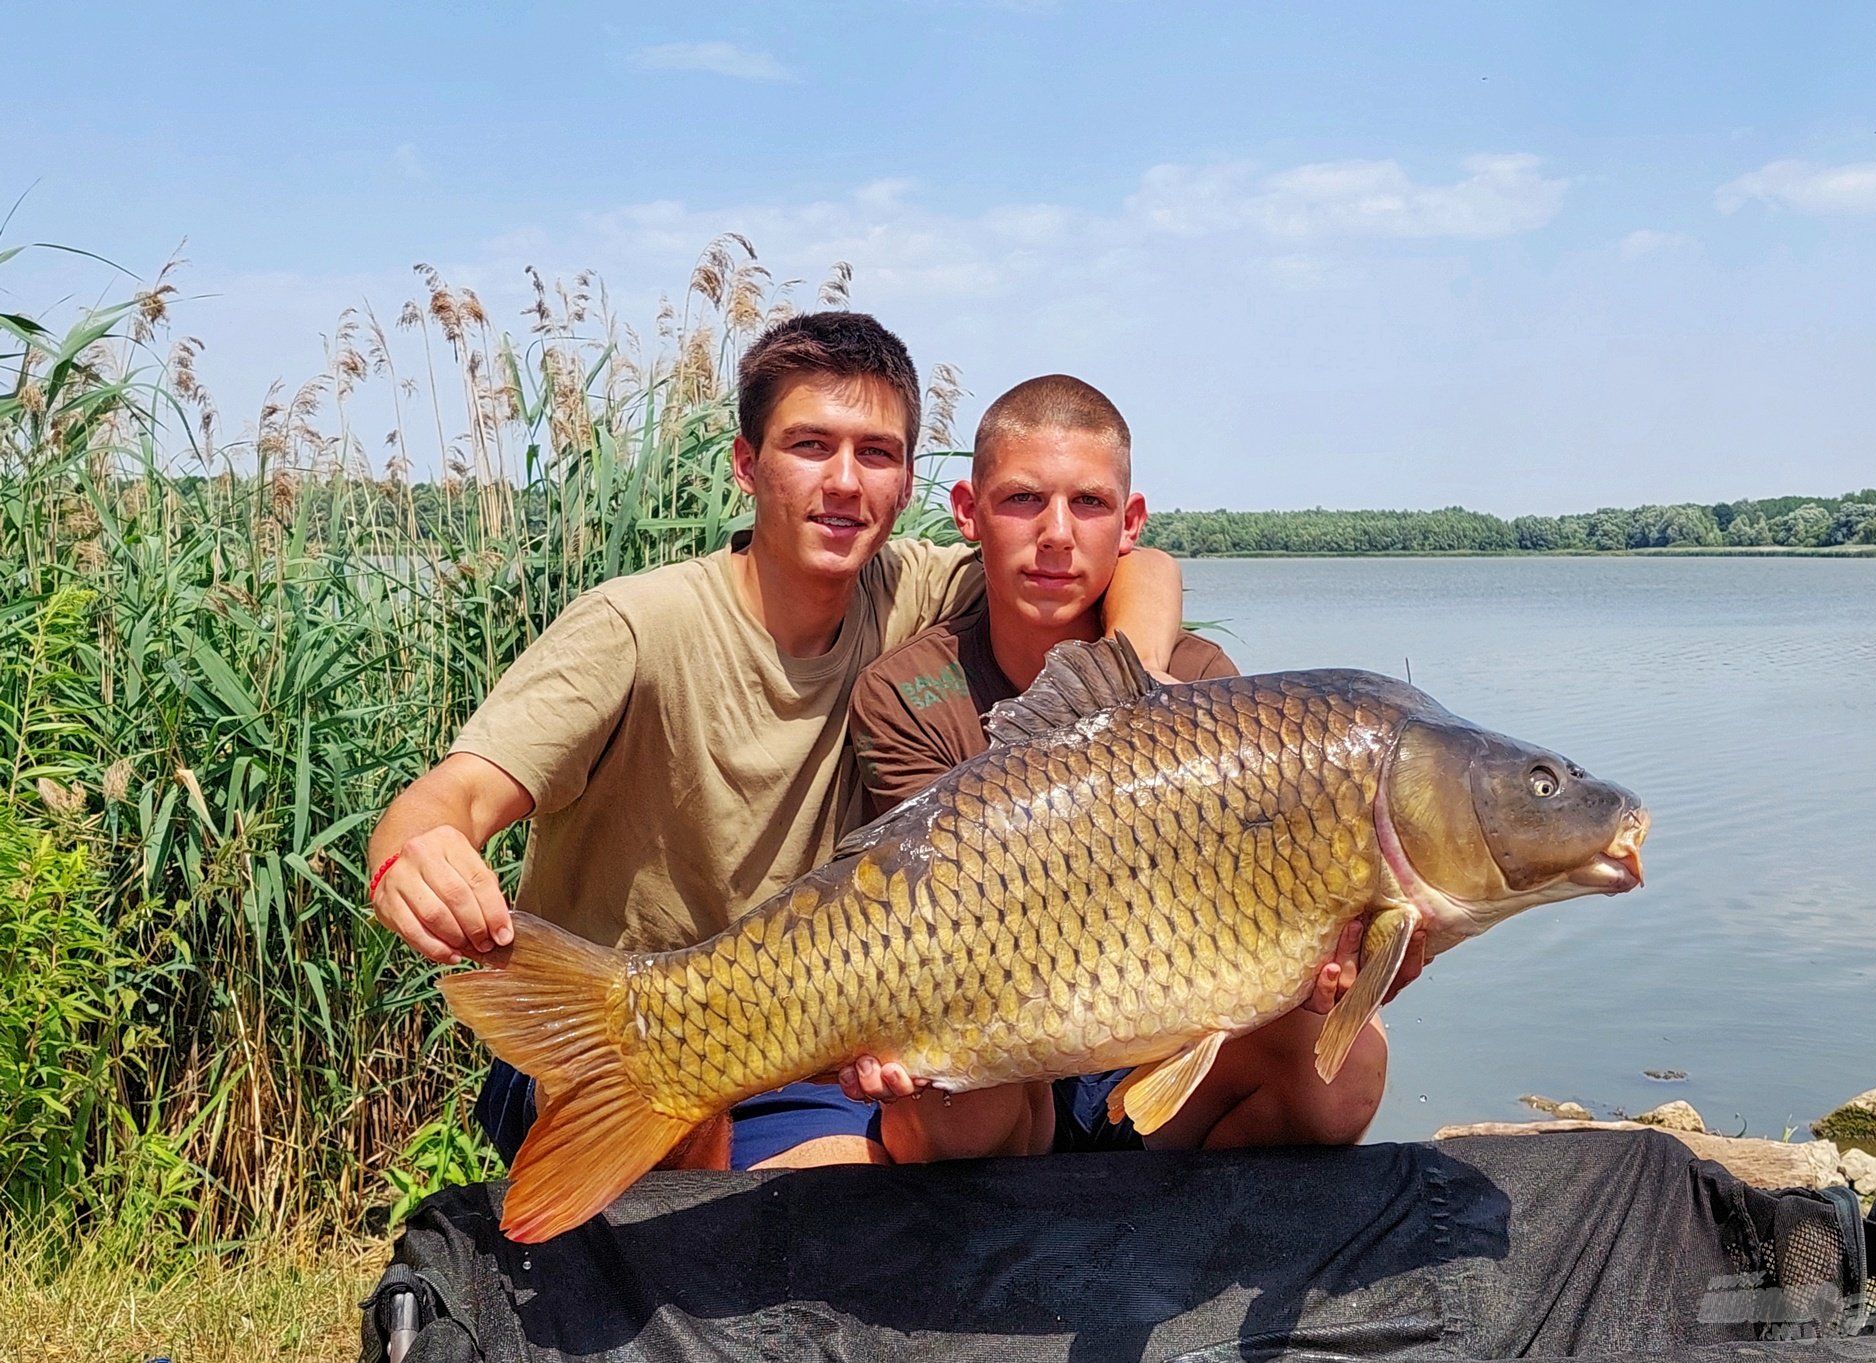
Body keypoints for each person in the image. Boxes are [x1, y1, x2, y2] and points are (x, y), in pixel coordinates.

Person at [366, 317, 1188, 1172]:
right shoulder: (636, 627)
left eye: (876, 453)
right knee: (705, 1151)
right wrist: (416, 855)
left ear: (908, 482)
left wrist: (1138, 688)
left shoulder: (913, 588)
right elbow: (451, 797)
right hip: (613, 1026)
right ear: (747, 465)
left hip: (803, 1043)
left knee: (843, 1203)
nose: (843, 482)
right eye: (809, 445)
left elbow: (1139, 563)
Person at [842, 374, 1424, 1162]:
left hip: (1156, 1037)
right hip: (1003, 1045)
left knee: (1349, 1067)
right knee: (944, 1109)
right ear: (967, 514)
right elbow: (936, 914)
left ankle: (1180, 1235)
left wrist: (1322, 973)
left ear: (1130, 523)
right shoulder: (908, 692)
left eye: (1088, 504)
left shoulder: (1203, 677)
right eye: (1022, 500)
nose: (1056, 533)